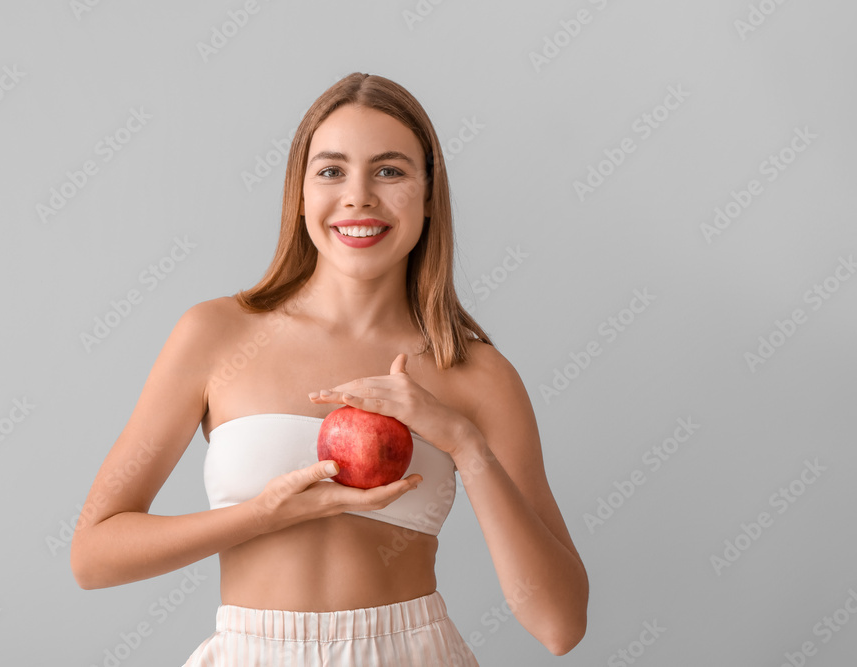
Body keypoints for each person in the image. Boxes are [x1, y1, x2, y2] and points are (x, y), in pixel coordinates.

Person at [70, 72, 589, 665]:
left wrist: (467, 446)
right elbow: (93, 557)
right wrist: (261, 515)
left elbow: (560, 624)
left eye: (390, 171)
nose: (358, 196)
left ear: (428, 194)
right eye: (331, 170)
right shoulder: (215, 334)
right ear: (300, 192)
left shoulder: (474, 372)